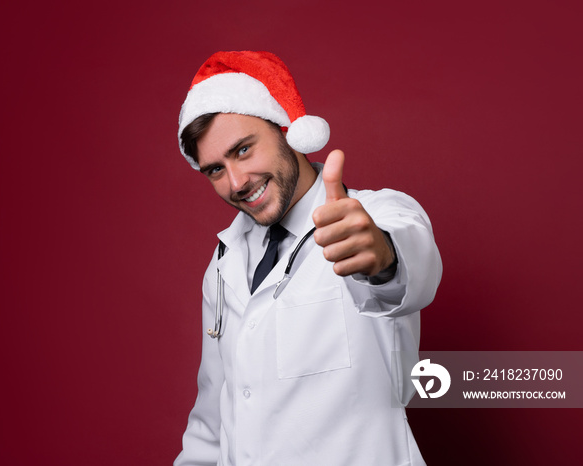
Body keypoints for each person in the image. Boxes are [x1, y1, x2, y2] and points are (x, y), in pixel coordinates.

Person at [174, 51, 442, 466]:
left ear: (287, 131)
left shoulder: (374, 214)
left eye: (244, 150)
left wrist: (382, 257)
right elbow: (214, 413)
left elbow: (413, 269)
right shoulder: (224, 263)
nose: (236, 182)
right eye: (214, 170)